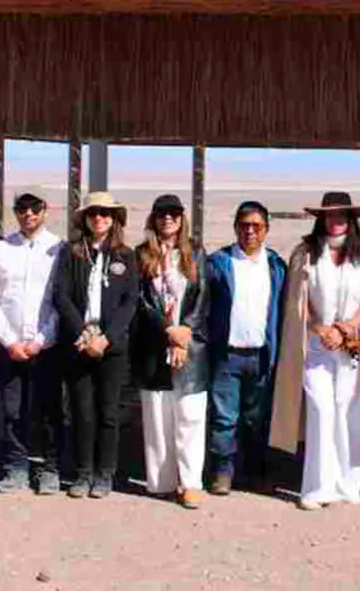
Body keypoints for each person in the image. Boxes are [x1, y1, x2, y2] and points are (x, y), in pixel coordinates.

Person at [271, 192, 360, 510]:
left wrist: (346, 327)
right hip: (315, 345)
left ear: (352, 219)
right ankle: (315, 488)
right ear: (321, 218)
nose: (335, 220)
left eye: (342, 215)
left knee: (349, 410)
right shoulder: (305, 253)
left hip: (354, 345)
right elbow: (298, 300)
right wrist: (320, 329)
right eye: (330, 214)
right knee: (321, 409)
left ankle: (347, 485)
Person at [53, 192, 139, 499]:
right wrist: (83, 332)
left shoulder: (126, 256)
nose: (99, 218)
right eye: (93, 213)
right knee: (82, 411)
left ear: (114, 219)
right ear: (85, 219)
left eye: (105, 213)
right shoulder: (71, 253)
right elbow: (61, 295)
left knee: (108, 412)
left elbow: (130, 302)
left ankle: (105, 473)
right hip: (79, 343)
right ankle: (83, 472)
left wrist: (106, 338)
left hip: (111, 347)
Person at [204, 201, 288, 496]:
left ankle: (255, 471)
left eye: (257, 226)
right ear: (235, 228)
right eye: (244, 225)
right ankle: (222, 471)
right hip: (227, 355)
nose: (250, 231)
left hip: (262, 355)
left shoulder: (276, 266)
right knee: (224, 417)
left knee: (257, 417)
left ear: (266, 229)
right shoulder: (218, 263)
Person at [0, 190, 63, 494]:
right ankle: (15, 467)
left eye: (35, 208)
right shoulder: (1, 249)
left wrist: (41, 340)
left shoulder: (58, 248)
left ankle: (48, 468)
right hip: (10, 346)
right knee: (12, 410)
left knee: (48, 409)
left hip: (46, 346)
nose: (28, 214)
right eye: (22, 208)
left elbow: (61, 300)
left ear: (45, 210)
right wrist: (9, 342)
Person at [131, 194, 208, 508]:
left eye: (174, 213)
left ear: (182, 217)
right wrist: (168, 331)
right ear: (153, 218)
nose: (168, 218)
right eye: (162, 213)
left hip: (190, 347)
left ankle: (190, 483)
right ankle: (161, 480)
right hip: (153, 345)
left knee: (190, 415)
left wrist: (184, 332)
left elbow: (202, 296)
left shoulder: (196, 252)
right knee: (157, 415)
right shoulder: (141, 255)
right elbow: (140, 300)